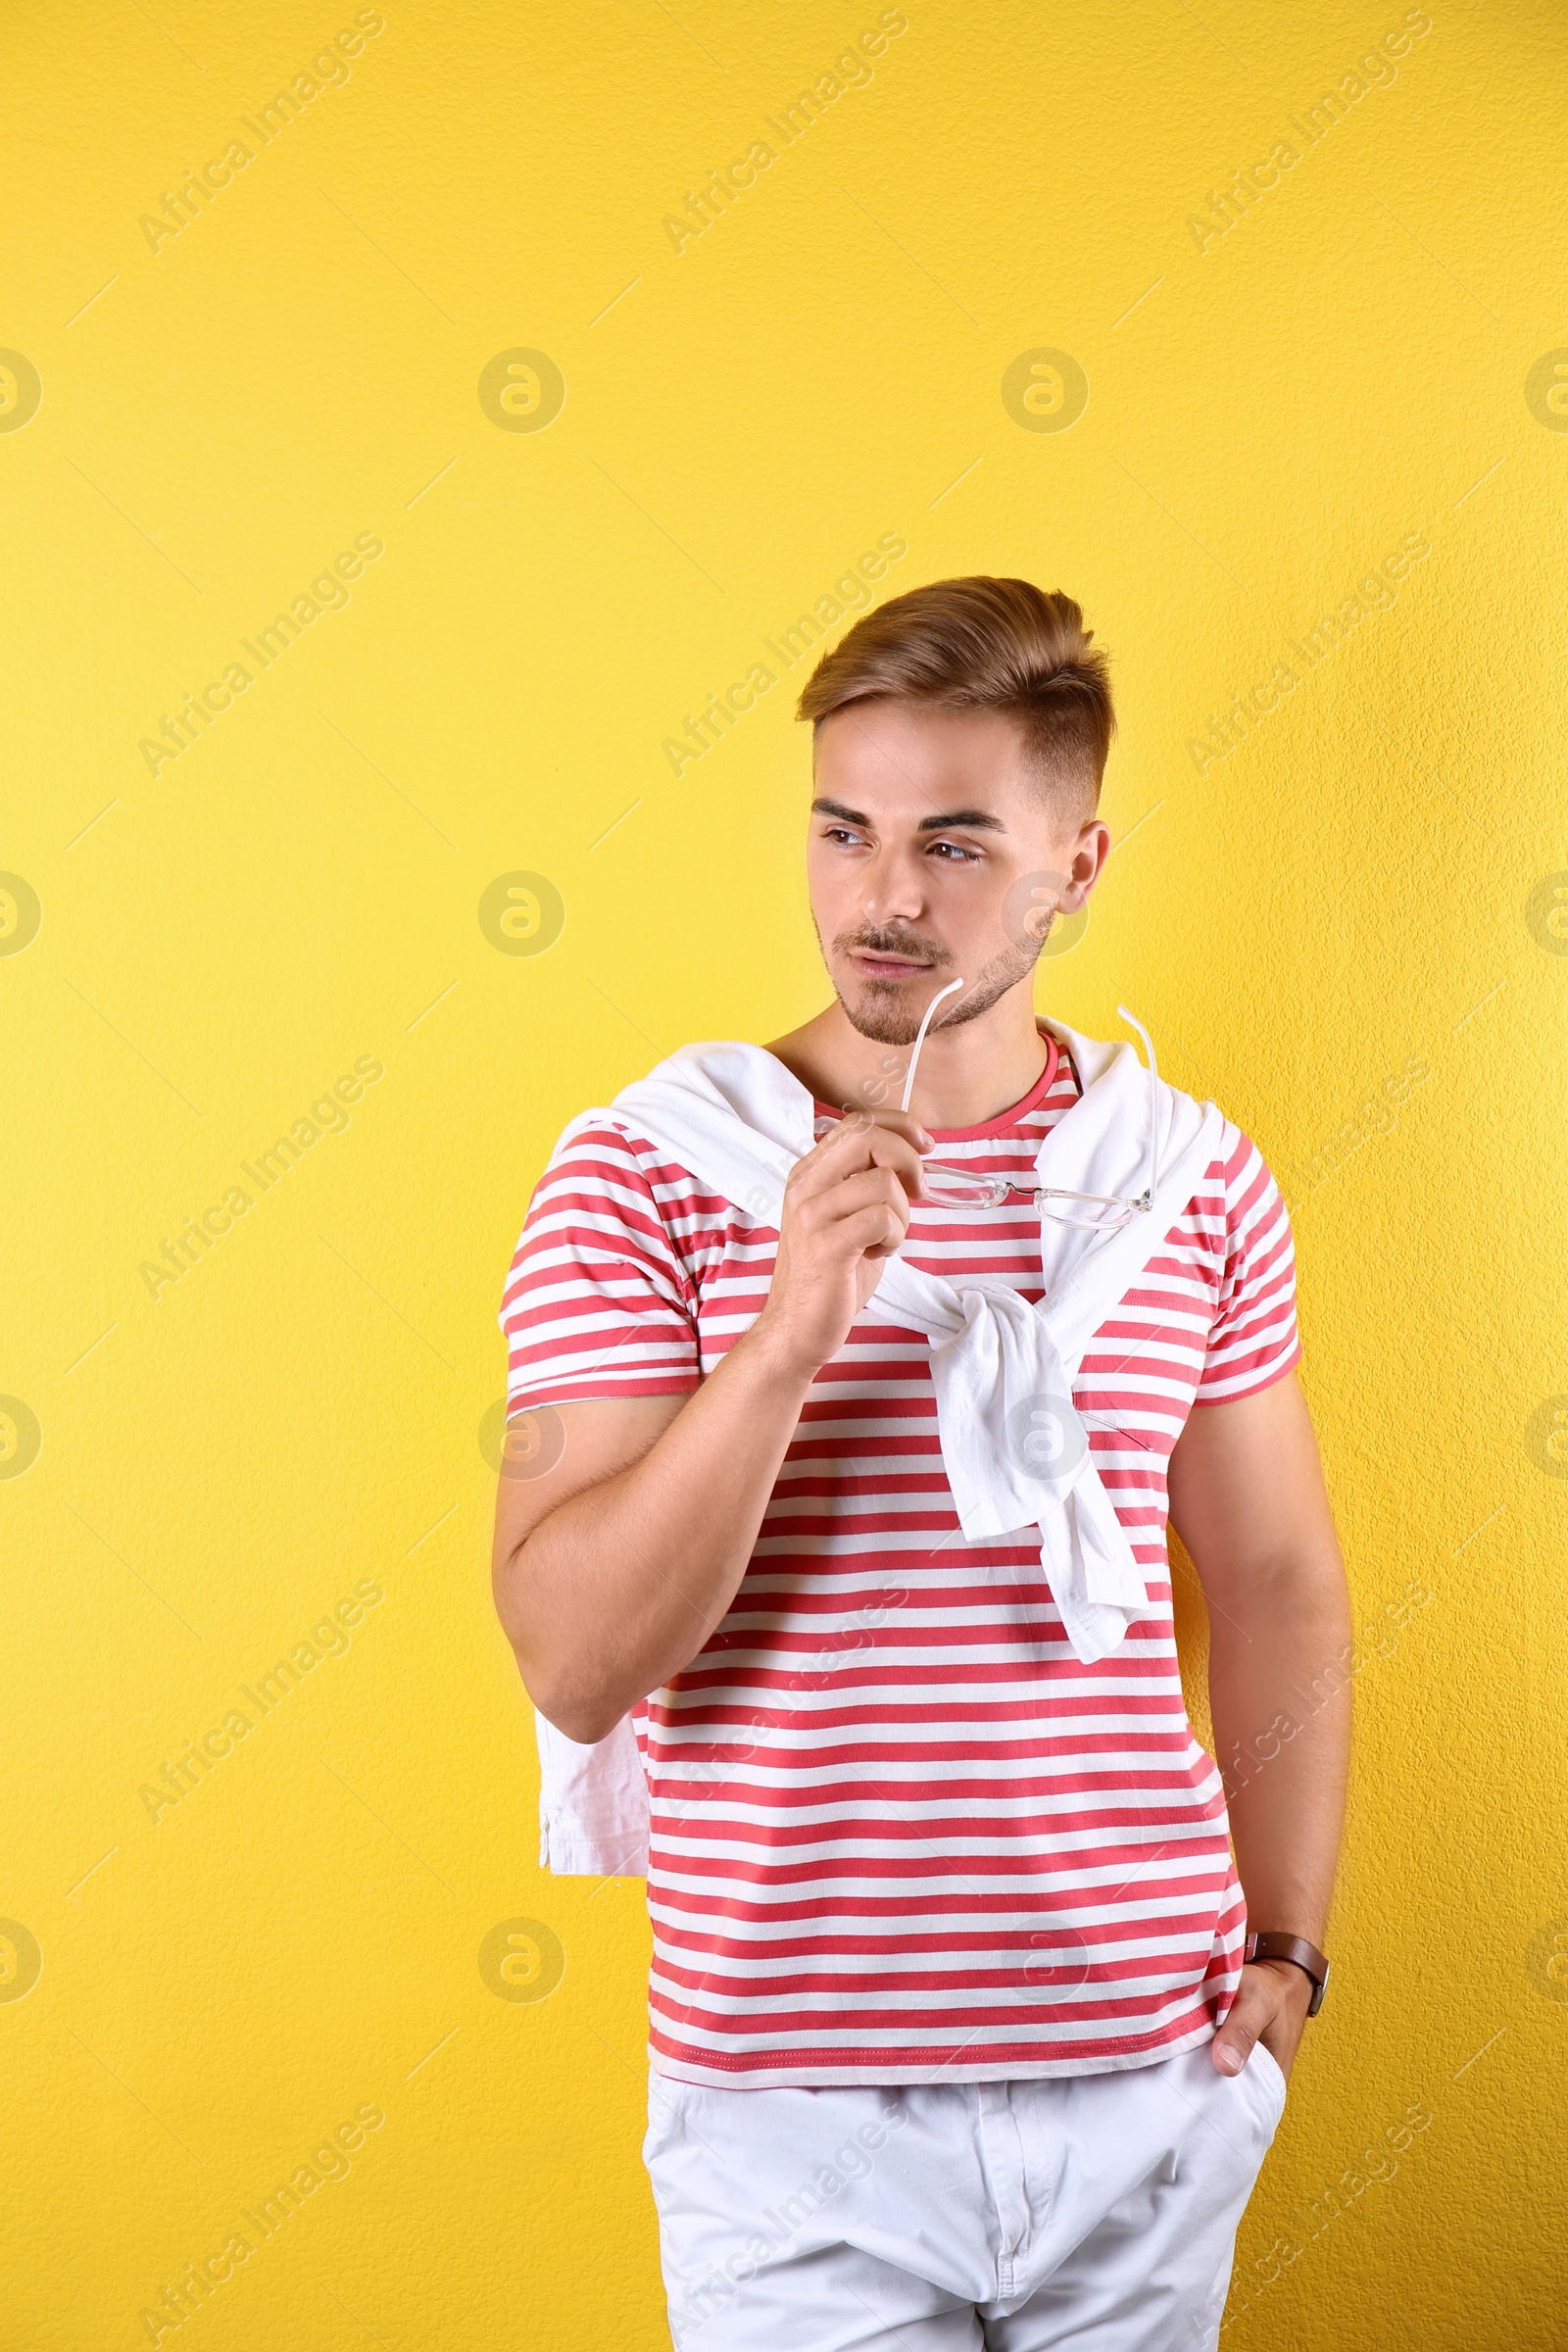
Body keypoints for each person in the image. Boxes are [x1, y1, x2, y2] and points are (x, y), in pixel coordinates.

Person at [492, 576, 1351, 2349]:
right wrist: (789, 1335)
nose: (884, 898)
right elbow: (571, 1655)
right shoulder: (652, 1172)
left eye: (955, 844)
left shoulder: (1184, 1180)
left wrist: (1290, 1946)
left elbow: (1272, 1577)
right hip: (789, 2114)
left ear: (1076, 865)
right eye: (844, 830)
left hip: (1148, 2077)